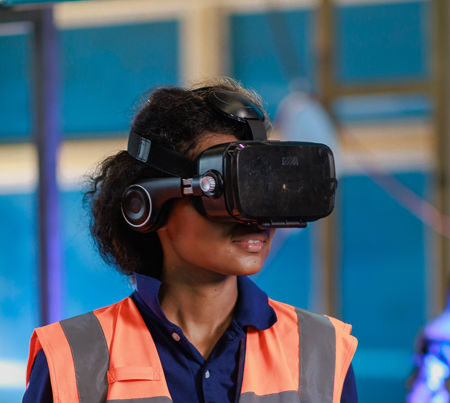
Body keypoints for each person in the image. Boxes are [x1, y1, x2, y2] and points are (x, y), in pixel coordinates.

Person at [22, 80, 358, 403]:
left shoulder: (323, 352)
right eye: (227, 190)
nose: (255, 218)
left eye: (263, 191)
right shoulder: (71, 358)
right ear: (147, 203)